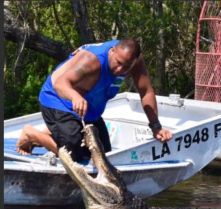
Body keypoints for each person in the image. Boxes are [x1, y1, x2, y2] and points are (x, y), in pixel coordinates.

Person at [16, 38, 172, 162]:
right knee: (73, 155)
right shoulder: (92, 60)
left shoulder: (134, 62)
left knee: (103, 156)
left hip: (88, 108)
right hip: (58, 99)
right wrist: (75, 96)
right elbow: (60, 84)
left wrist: (156, 126)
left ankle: (52, 134)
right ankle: (32, 135)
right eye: (118, 63)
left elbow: (146, 92)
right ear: (112, 51)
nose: (119, 70)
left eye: (126, 67)